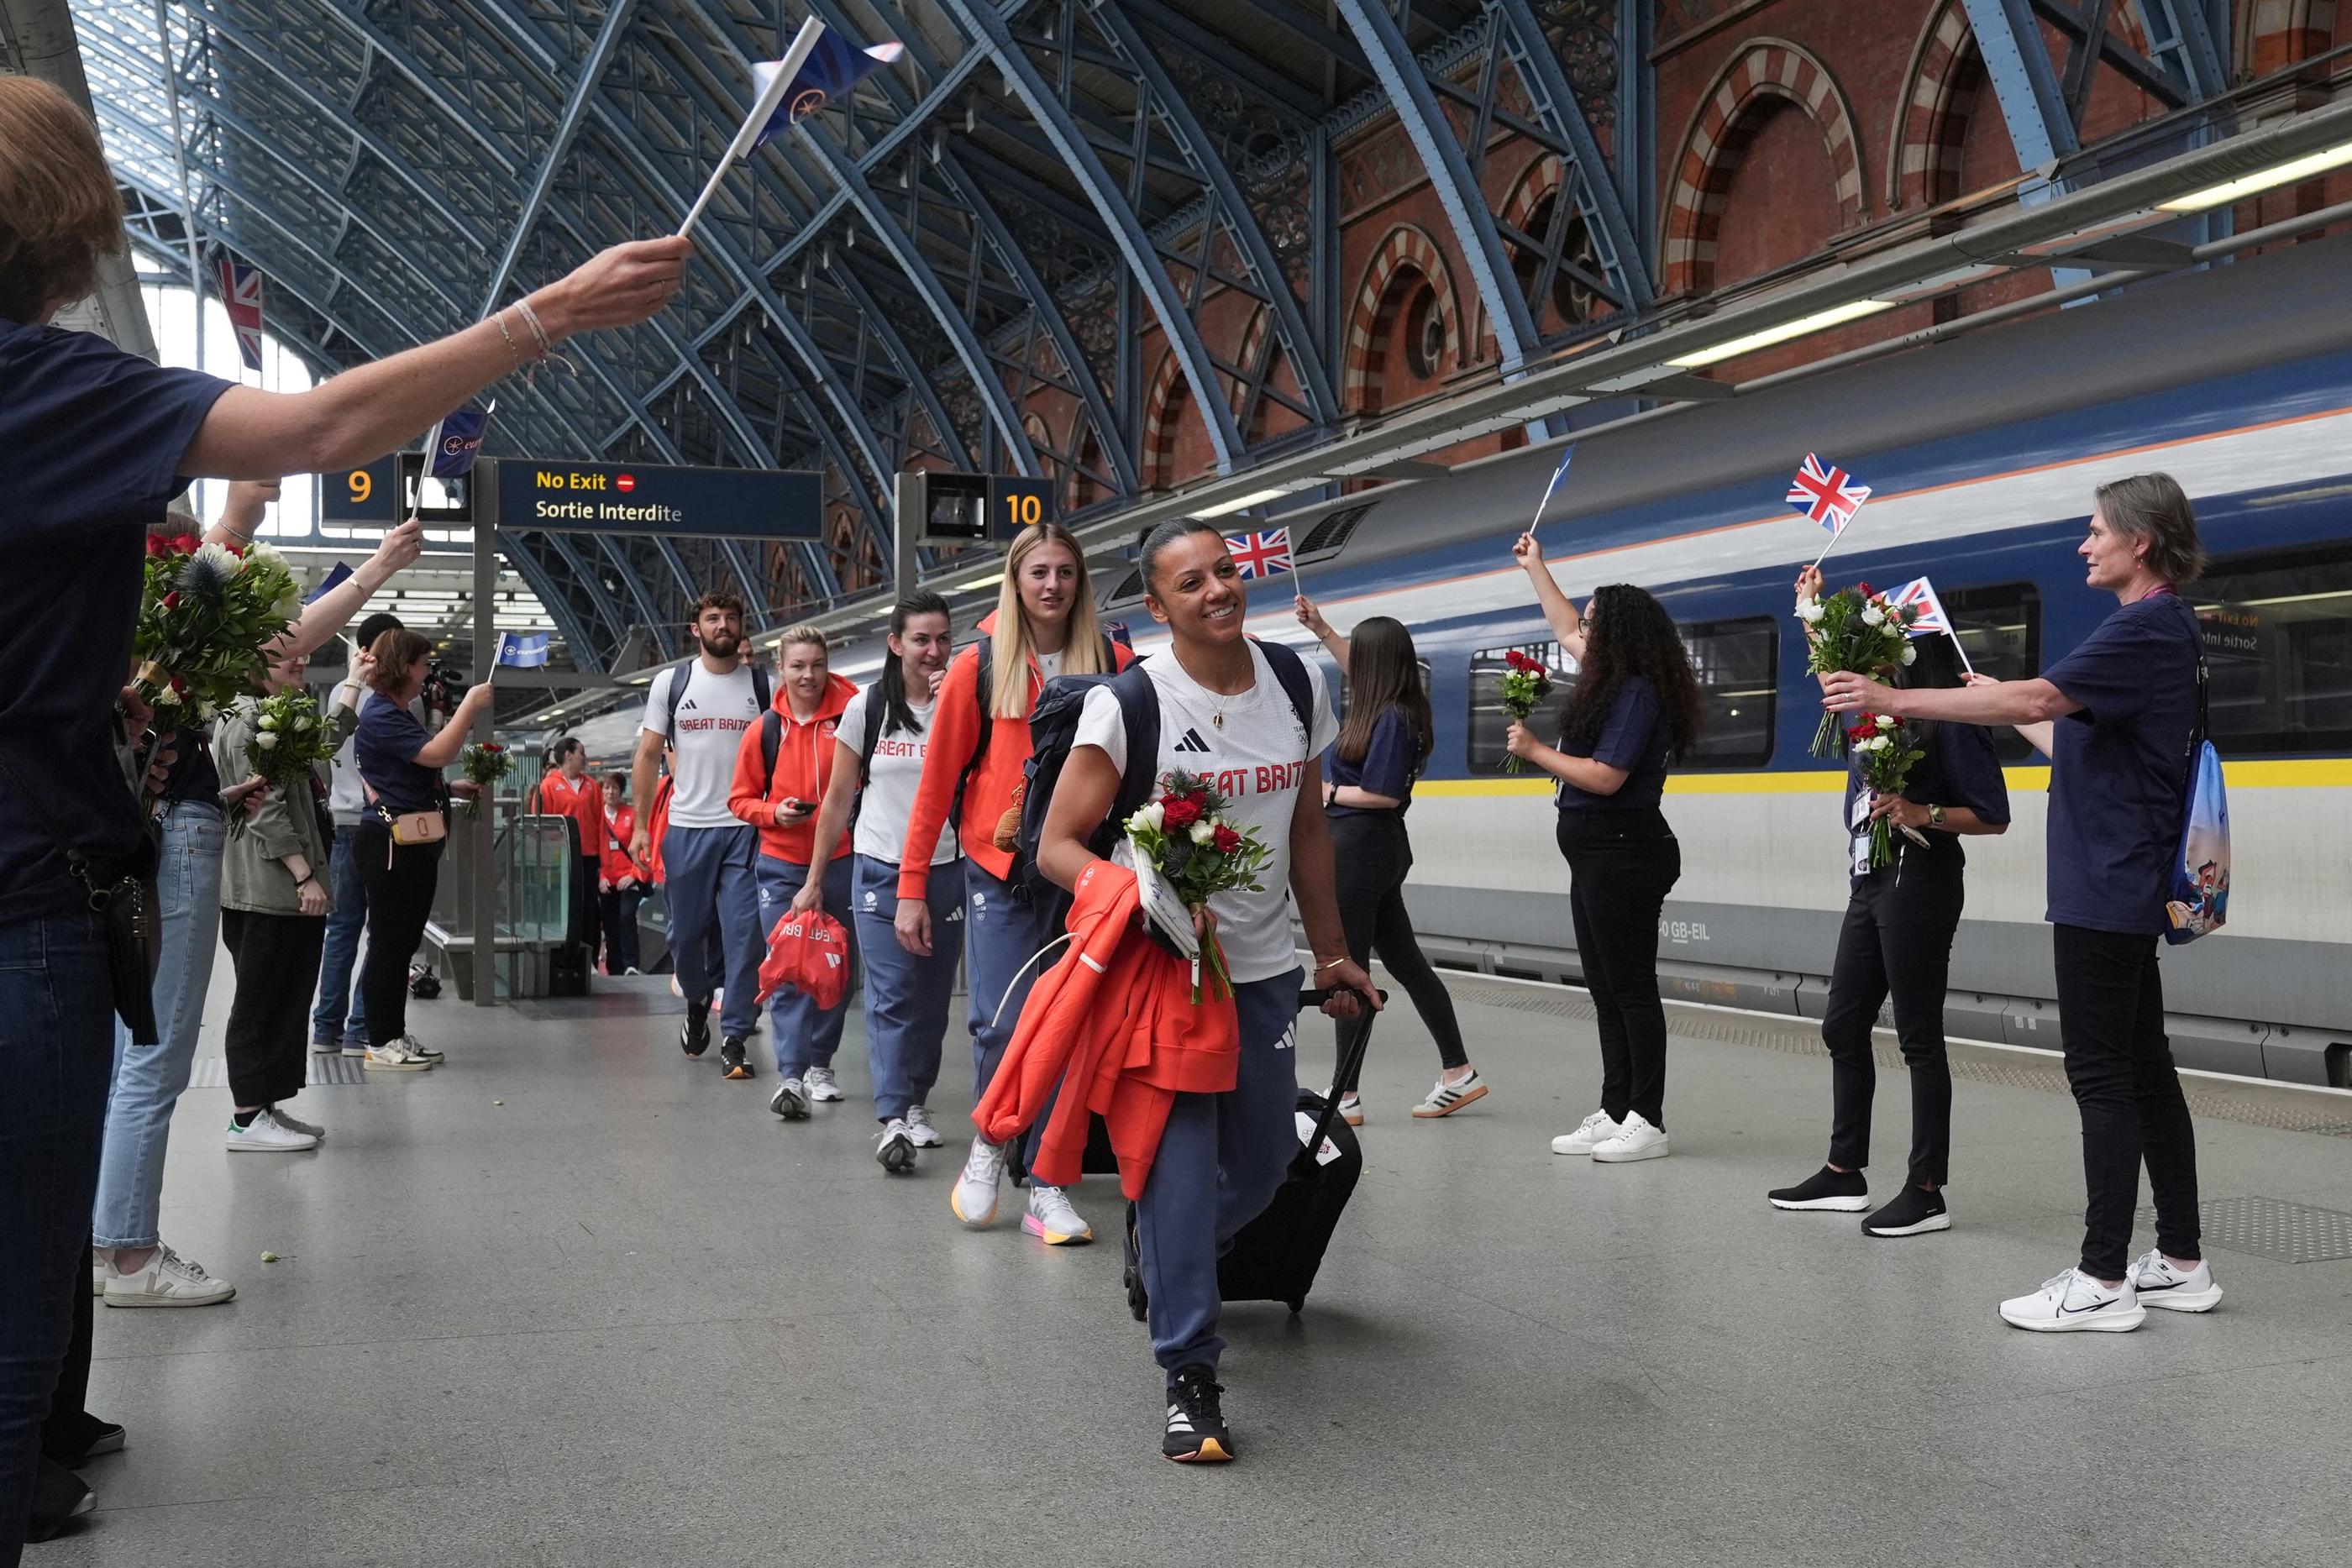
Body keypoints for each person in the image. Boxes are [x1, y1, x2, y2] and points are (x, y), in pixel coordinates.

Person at [0, 71, 688, 1564]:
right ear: (59, 228)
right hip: (25, 903)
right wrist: (548, 311)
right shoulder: (45, 388)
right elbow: (319, 419)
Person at [1823, 474, 2222, 1330]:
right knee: (2145, 1070)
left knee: (2102, 1076)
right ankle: (2181, 1260)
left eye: (2094, 531)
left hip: (2103, 886)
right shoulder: (2165, 631)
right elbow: (2064, 731)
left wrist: (1891, 697)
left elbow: (2040, 698)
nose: (2084, 544)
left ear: (2138, 542)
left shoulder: (2142, 626)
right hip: (2124, 881)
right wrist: (1991, 699)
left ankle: (2102, 1277)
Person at [1037, 518, 1375, 1463]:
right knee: (1185, 1169)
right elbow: (1058, 846)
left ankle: (1161, 1244)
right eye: (1192, 583)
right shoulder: (1131, 704)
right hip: (1169, 978)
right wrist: (1140, 892)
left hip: (1263, 976)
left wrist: (1334, 952)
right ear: (1158, 606)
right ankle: (1190, 1373)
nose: (1219, 589)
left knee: (1264, 1164)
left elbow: (1309, 825)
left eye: (1226, 571)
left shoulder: (1297, 680)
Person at [897, 522, 1131, 1243]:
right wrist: (911, 886)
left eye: (1064, 571)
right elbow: (937, 786)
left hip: (1082, 872)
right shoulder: (979, 665)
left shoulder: (1116, 662)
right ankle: (991, 1147)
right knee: (1000, 1021)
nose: (1053, 584)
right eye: (1039, 572)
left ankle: (1049, 1181)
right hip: (997, 869)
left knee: (1069, 1025)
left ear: (1079, 581)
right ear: (1017, 581)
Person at [1768, 566, 2009, 1236]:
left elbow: (1994, 814)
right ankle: (1845, 1172)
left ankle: (1927, 1188)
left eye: (1861, 653)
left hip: (1922, 875)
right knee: (1842, 1022)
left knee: (1917, 1036)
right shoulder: (1869, 705)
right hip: (1870, 875)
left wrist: (1918, 809)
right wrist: (1806, 607)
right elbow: (1829, 675)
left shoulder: (1944, 716)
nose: (1850, 669)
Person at [1504, 536, 1701, 1165]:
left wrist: (1537, 753)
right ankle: (1617, 1107)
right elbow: (1562, 621)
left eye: (1592, 622)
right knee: (1605, 986)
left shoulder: (1637, 692)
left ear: (1616, 632)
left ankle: (1648, 1117)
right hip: (1595, 852)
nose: (1579, 629)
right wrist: (1537, 565)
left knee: (1631, 986)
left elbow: (1607, 776)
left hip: (1625, 850)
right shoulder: (1613, 677)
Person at [790, 593, 960, 1171]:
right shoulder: (868, 708)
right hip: (878, 870)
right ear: (896, 643)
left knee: (933, 1001)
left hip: (945, 868)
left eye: (942, 638)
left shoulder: (962, 705)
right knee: (892, 994)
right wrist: (815, 879)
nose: (933, 650)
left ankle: (915, 1100)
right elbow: (838, 800)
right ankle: (892, 1118)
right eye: (920, 639)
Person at [1295, 597, 1475, 1125]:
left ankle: (1344, 1096)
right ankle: (1458, 1072)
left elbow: (1383, 793)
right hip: (1373, 850)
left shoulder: (1393, 717)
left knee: (1345, 966)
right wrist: (1322, 627)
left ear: (1376, 664)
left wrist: (1325, 792)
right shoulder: (1395, 703)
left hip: (1363, 849)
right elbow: (1355, 661)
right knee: (1407, 964)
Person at [213, 643, 363, 1151]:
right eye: (286, 658)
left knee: (285, 996)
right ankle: (245, 1117)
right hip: (268, 890)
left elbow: (325, 740)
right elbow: (264, 807)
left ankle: (267, 1106)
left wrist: (354, 681)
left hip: (285, 892)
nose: (299, 663)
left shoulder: (279, 716)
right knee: (261, 999)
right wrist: (303, 875)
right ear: (255, 667)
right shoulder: (247, 721)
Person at [632, 592, 773, 1078]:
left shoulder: (761, 684)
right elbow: (649, 756)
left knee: (744, 939)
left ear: (740, 627)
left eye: (731, 618)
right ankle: (696, 999)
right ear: (696, 629)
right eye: (713, 619)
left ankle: (735, 1035)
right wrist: (640, 826)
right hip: (687, 828)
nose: (722, 625)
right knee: (685, 939)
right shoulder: (672, 683)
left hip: (744, 830)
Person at [728, 627, 857, 1109]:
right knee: (784, 967)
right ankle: (791, 1074)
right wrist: (773, 813)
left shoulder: (851, 716)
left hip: (843, 860)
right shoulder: (764, 730)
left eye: (817, 665)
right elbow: (739, 799)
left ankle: (820, 1062)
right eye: (798, 666)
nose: (809, 675)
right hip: (780, 863)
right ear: (780, 668)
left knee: (833, 967)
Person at [355, 632, 495, 1071]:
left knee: (401, 945)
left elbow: (408, 772)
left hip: (411, 841)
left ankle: (392, 1033)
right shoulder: (380, 713)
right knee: (389, 945)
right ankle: (380, 1040)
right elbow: (435, 754)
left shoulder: (394, 712)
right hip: (392, 845)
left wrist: (450, 788)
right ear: (403, 667)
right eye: (421, 665)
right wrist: (469, 706)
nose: (425, 675)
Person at [314, 611, 407, 1053]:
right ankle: (360, 1028)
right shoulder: (395, 698)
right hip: (380, 824)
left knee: (341, 930)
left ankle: (325, 1027)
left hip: (342, 823)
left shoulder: (340, 692)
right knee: (383, 931)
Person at [531, 735, 605, 969]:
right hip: (560, 860)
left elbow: (600, 823)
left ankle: (588, 960)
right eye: (581, 752)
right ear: (569, 755)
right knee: (563, 909)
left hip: (588, 857)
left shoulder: (592, 786)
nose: (585, 757)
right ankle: (563, 959)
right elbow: (539, 825)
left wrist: (606, 862)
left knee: (588, 909)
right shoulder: (548, 787)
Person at [597, 773, 646, 975]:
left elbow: (643, 848)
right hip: (606, 881)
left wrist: (634, 875)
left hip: (629, 879)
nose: (611, 792)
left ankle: (631, 964)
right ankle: (614, 967)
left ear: (621, 790)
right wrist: (600, 877)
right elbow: (593, 849)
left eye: (615, 788)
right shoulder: (597, 816)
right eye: (607, 788)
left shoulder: (632, 815)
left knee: (627, 917)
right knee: (610, 924)